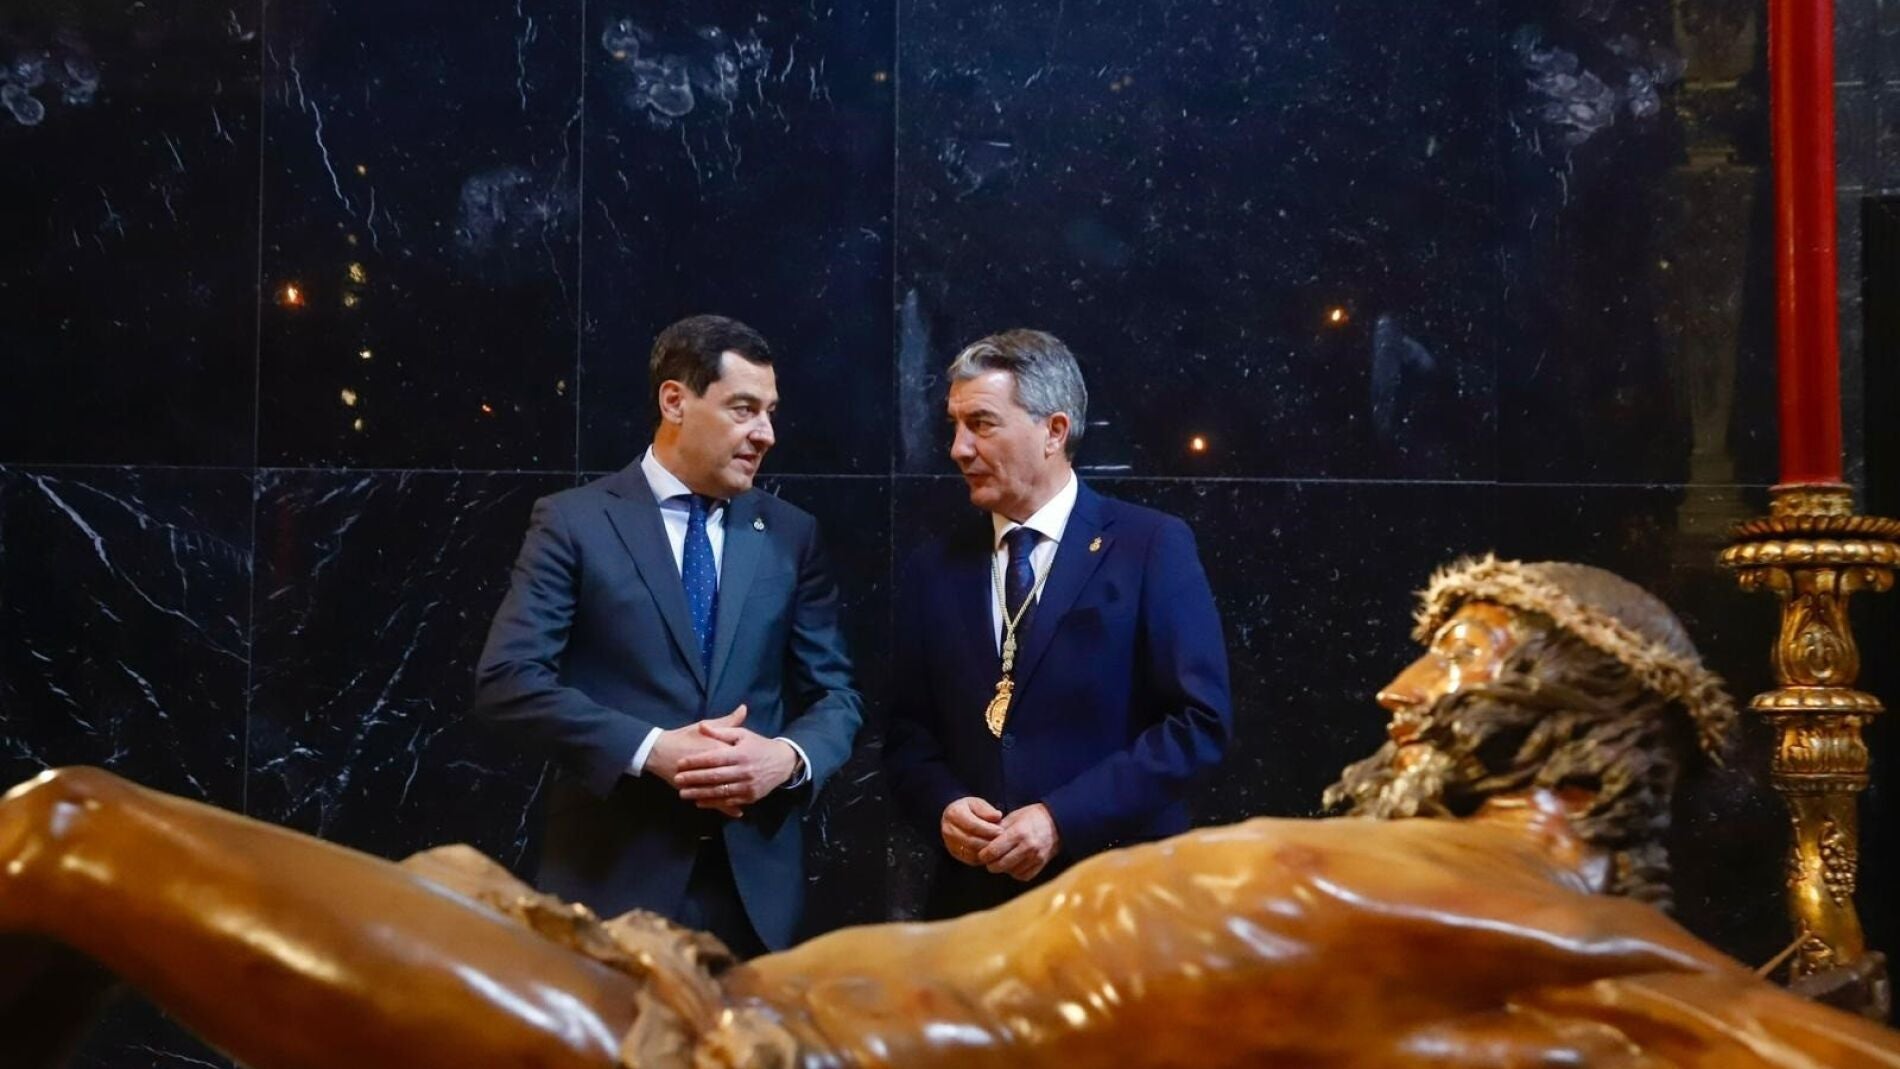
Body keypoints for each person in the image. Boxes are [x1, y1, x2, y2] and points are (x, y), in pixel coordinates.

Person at [8, 558, 1900, 1069]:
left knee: (65, 830)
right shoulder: (1471, 915)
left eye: (1455, 654)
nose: (1402, 693)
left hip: (707, 1058)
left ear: (1580, 714)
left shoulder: (1573, 932)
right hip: (681, 979)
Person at [471, 314, 862, 955]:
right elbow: (507, 681)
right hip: (611, 883)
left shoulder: (792, 534)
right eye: (743, 409)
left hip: (756, 897)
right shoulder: (574, 523)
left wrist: (786, 759)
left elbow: (836, 696)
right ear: (675, 401)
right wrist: (651, 749)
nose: (765, 434)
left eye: (770, 413)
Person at [883, 329, 1234, 917]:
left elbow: (1198, 724)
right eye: (955, 426)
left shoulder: (1149, 546)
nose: (959, 449)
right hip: (973, 907)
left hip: (1118, 900)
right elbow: (908, 737)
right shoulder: (933, 568)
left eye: (981, 424)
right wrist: (942, 807)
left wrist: (1060, 818)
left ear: (1054, 431)